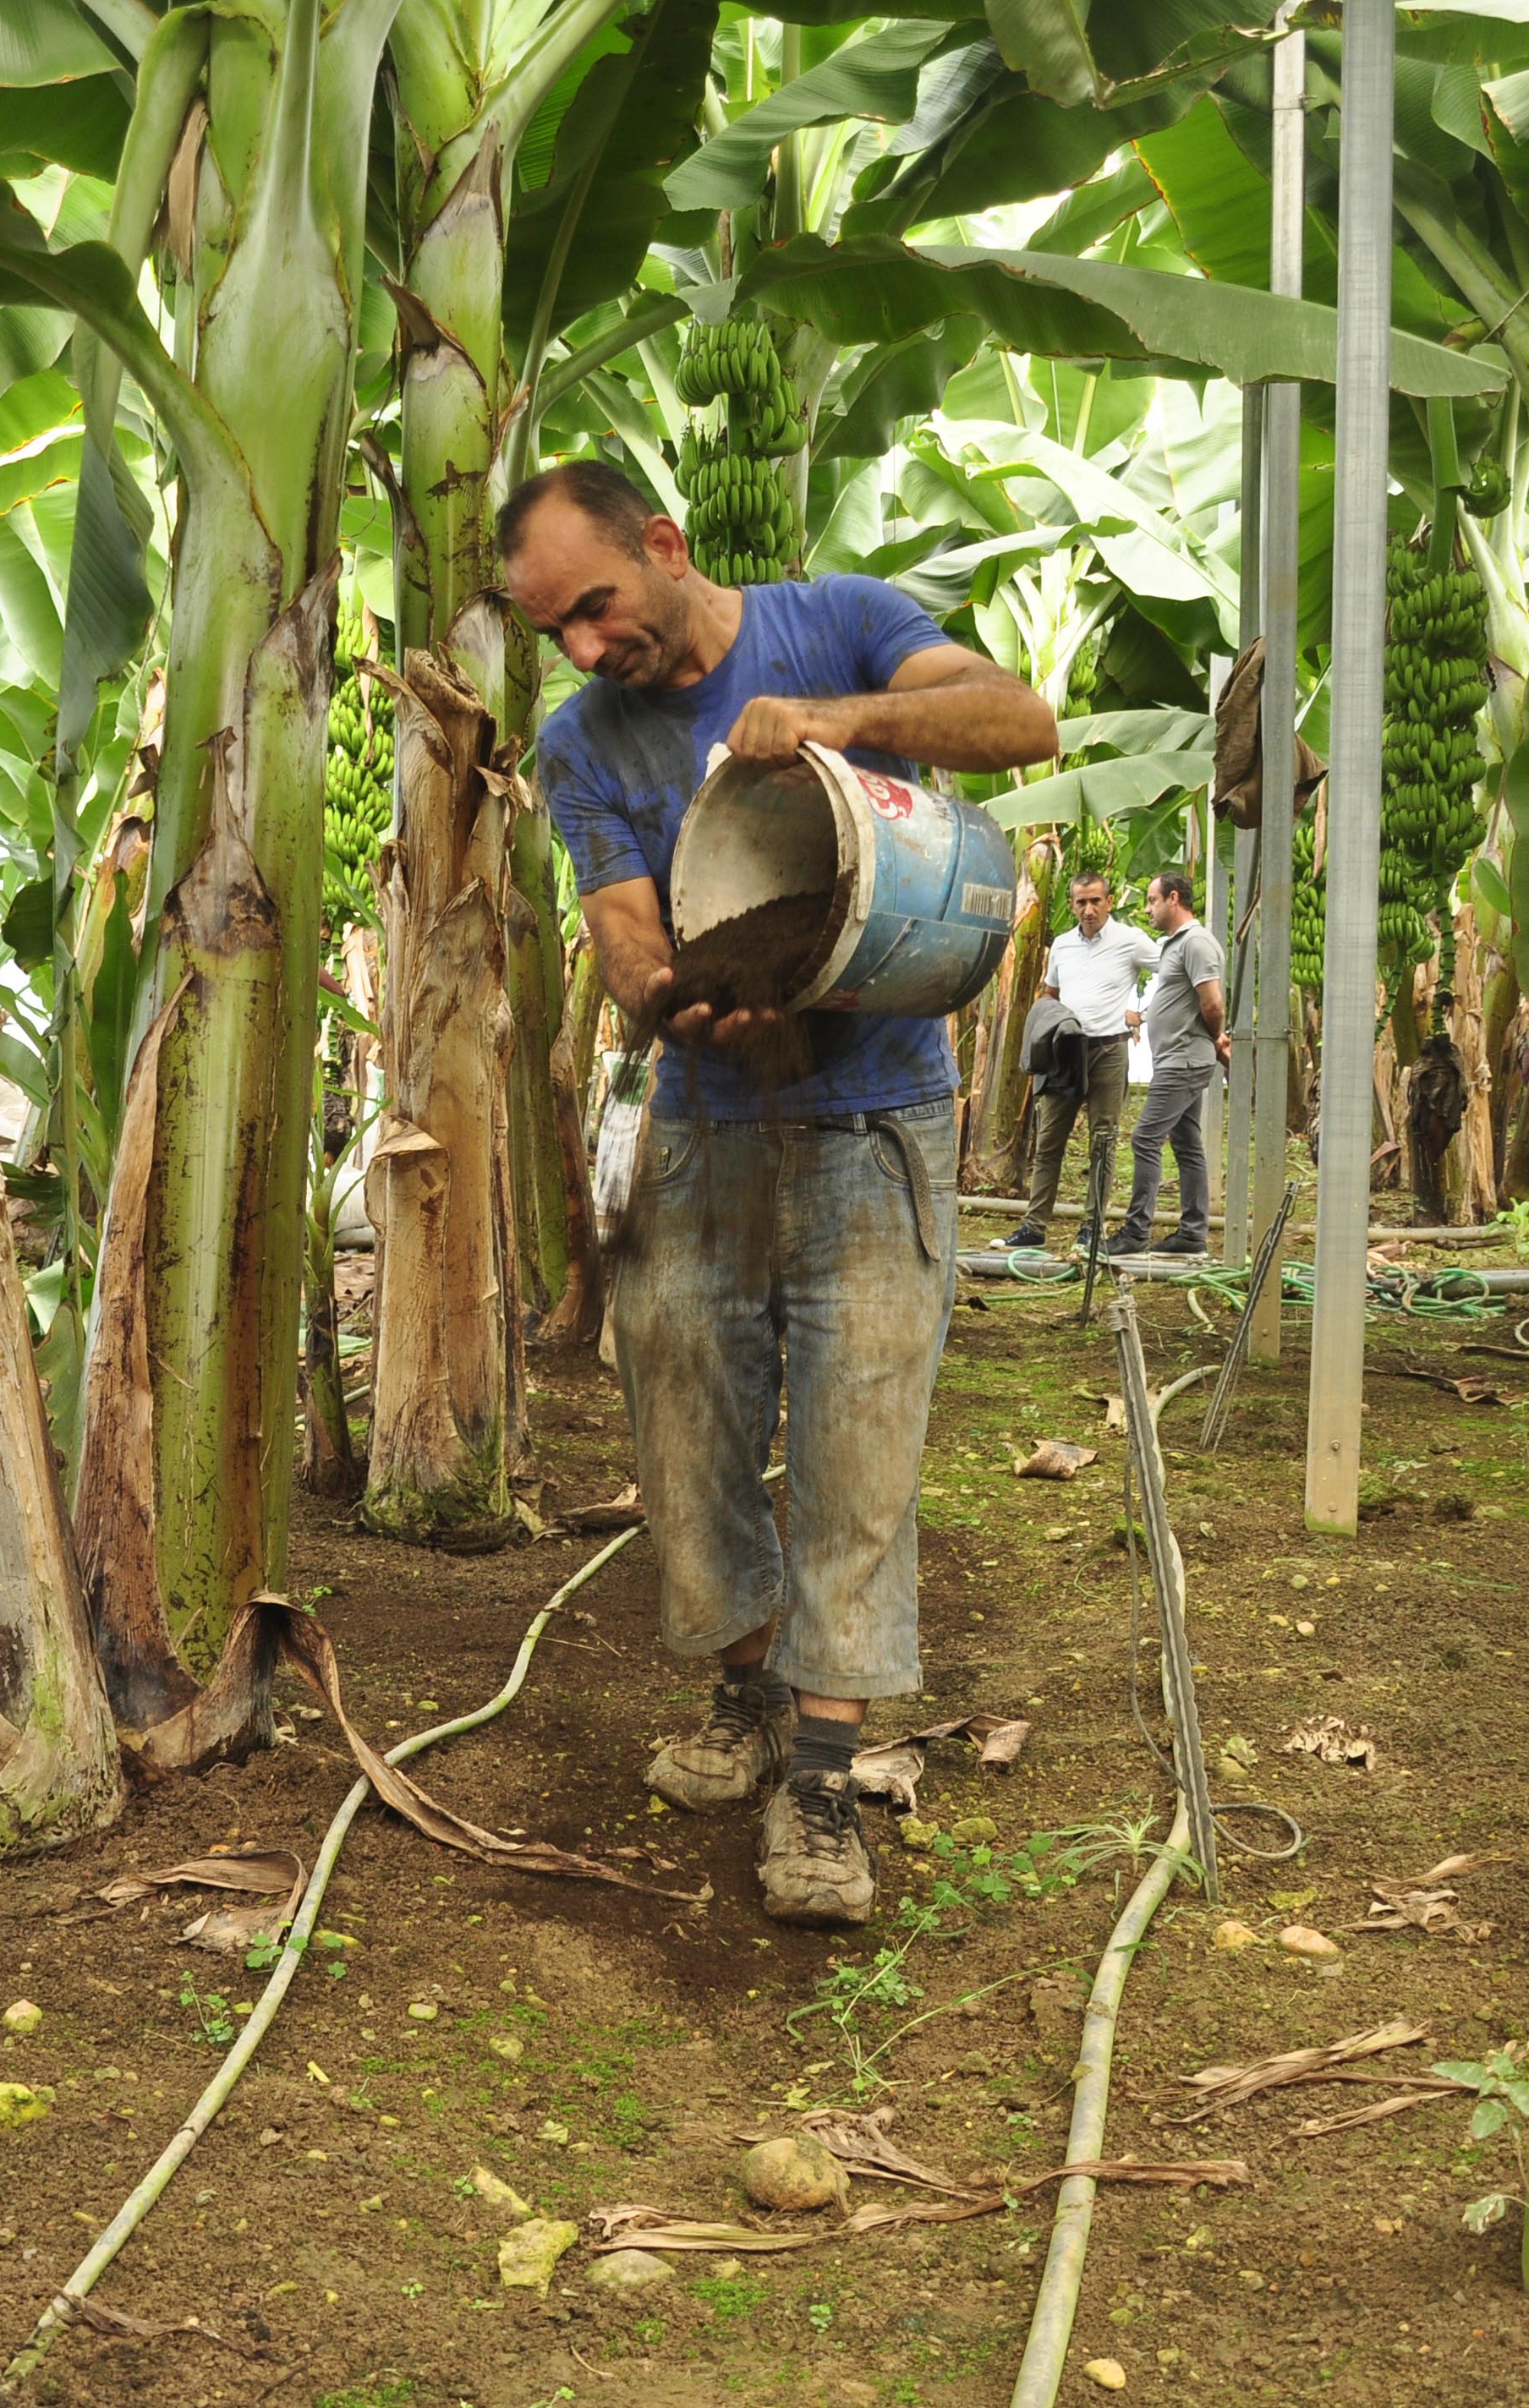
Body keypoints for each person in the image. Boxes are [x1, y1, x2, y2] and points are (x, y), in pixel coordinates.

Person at [499, 458, 1056, 1928]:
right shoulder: (582, 742)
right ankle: (742, 1692)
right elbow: (624, 931)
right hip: (704, 1127)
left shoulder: (843, 624)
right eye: (551, 627)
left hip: (873, 1119)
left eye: (595, 608)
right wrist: (682, 1000)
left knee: (857, 1443)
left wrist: (835, 721)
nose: (581, 647)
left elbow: (1017, 719)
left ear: (664, 546)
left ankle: (820, 1772)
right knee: (681, 1424)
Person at [995, 869, 1152, 1252]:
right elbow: (1050, 992)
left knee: (1103, 1139)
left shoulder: (1130, 941)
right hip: (1067, 1052)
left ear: (1109, 902)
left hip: (1109, 1051)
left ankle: (1092, 1226)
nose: (1089, 909)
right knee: (1049, 1141)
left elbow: (1174, 971)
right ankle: (1035, 1226)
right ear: (1072, 905)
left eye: (1096, 900)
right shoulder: (1064, 945)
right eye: (1081, 902)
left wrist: (1143, 1012)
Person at [1112, 869, 1230, 1257]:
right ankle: (1193, 1233)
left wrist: (1216, 1037)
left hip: (1184, 1060)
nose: (1148, 909)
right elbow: (1180, 1002)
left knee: (1145, 1138)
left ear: (1174, 899)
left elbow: (1211, 1002)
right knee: (1186, 1143)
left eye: (1152, 900)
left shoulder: (1196, 942)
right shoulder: (1176, 944)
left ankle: (1135, 1232)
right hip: (1176, 1058)